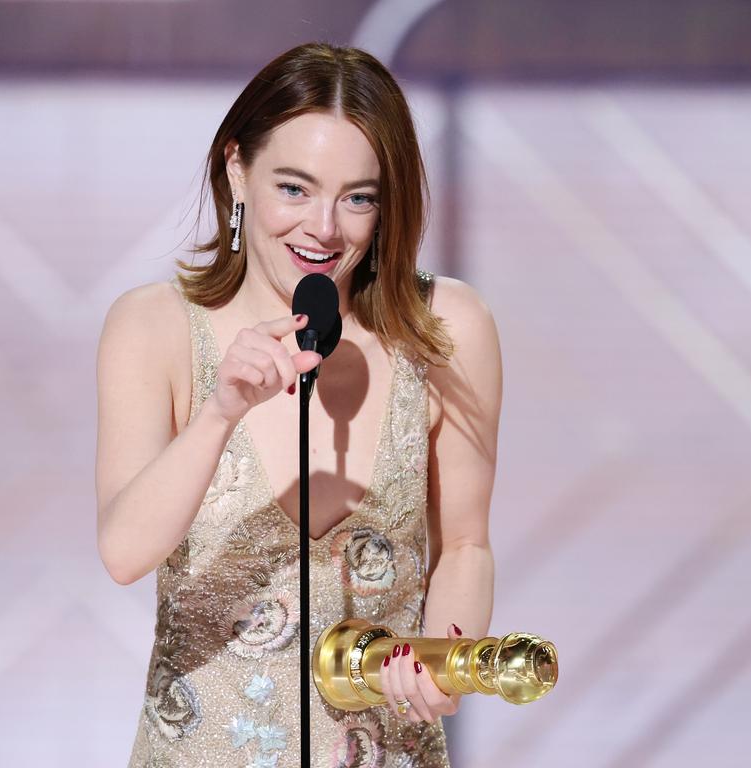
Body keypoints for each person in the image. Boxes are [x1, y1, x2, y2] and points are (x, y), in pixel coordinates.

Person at [95, 42, 501, 768]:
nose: (323, 228)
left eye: (359, 197)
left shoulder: (448, 328)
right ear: (237, 170)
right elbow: (124, 552)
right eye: (294, 189)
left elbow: (465, 544)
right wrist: (219, 412)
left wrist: (445, 661)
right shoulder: (152, 327)